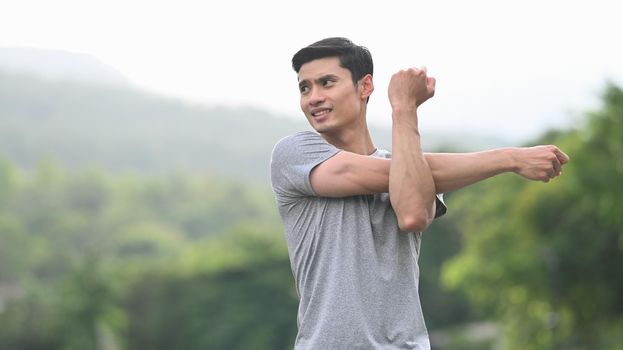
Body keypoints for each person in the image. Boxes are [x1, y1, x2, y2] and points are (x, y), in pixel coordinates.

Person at [269, 37, 569, 349]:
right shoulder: (295, 154)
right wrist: (404, 107)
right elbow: (407, 189)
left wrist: (510, 159)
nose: (313, 97)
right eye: (305, 88)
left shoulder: (411, 168)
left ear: (365, 86)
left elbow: (412, 210)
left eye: (326, 83)